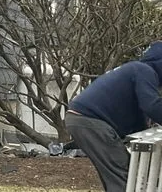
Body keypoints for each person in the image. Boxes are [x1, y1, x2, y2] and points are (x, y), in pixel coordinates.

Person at [65, 42, 162, 192]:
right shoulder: (144, 71)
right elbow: (152, 105)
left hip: (84, 119)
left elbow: (139, 118)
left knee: (120, 171)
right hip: (90, 121)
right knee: (122, 174)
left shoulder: (134, 70)